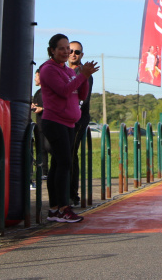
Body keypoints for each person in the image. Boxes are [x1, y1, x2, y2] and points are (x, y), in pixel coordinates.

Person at [38, 34, 98, 223]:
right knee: (65, 163)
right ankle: (63, 207)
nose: (67, 52)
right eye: (63, 49)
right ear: (52, 51)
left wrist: (84, 78)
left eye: (69, 49)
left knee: (59, 164)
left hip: (70, 123)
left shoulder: (69, 71)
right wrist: (83, 76)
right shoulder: (48, 70)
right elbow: (64, 91)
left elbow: (80, 95)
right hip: (54, 121)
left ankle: (55, 209)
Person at [67, 40, 93, 206]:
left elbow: (83, 99)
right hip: (62, 117)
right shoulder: (61, 70)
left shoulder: (84, 73)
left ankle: (72, 193)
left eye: (77, 52)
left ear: (81, 54)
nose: (73, 54)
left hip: (78, 119)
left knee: (71, 153)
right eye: (70, 50)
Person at [31, 70, 49, 182]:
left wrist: (42, 109)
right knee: (41, 149)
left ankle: (46, 172)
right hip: (39, 125)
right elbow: (35, 104)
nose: (35, 79)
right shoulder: (38, 92)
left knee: (48, 148)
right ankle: (42, 171)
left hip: (47, 124)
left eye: (36, 76)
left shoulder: (48, 92)